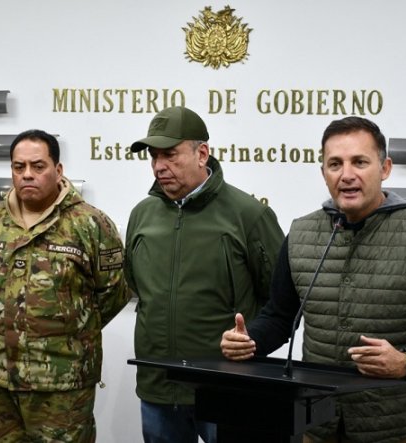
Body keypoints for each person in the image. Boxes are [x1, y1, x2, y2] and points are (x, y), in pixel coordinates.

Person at [221, 116, 406, 443]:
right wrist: (249, 341)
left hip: (395, 430)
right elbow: (280, 317)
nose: (347, 175)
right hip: (317, 424)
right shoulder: (301, 233)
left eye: (360, 162)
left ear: (385, 168)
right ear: (324, 172)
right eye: (335, 164)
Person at [126, 106, 285, 443]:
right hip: (159, 386)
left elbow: (280, 301)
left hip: (226, 386)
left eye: (170, 155)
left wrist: (252, 340)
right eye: (154, 156)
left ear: (202, 154)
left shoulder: (248, 215)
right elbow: (136, 286)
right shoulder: (142, 215)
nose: (159, 166)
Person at [0, 129, 130, 442]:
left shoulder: (90, 224)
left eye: (38, 166)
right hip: (1, 381)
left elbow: (113, 293)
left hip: (63, 385)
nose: (27, 175)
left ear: (58, 170)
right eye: (19, 167)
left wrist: (70, 332)